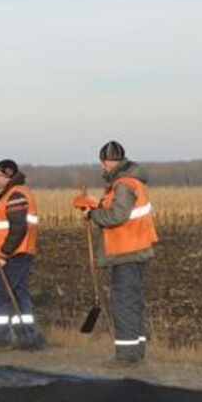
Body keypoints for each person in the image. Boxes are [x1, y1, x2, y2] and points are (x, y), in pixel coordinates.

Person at [73, 141, 158, 365]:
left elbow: (116, 216)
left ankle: (127, 357)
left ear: (110, 162)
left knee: (123, 304)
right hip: (131, 250)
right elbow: (113, 209)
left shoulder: (124, 184)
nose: (102, 167)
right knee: (131, 303)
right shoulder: (126, 183)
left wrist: (92, 216)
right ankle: (136, 353)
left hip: (127, 251)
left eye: (104, 163)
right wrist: (93, 205)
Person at [0, 159, 44, 352]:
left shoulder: (15, 195)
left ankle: (1, 340)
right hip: (21, 252)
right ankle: (27, 336)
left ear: (8, 175)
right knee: (19, 293)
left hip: (15, 253)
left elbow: (18, 228)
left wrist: (4, 254)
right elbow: (6, 218)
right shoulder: (15, 194)